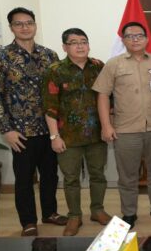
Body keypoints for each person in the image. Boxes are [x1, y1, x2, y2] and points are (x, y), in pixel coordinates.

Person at [0, 7, 66, 237]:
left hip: (49, 128)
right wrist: (6, 130)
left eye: (29, 22)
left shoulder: (49, 56)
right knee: (24, 179)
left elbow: (58, 92)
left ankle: (50, 213)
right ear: (11, 27)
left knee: (50, 175)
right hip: (20, 132)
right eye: (19, 23)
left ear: (35, 25)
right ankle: (28, 221)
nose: (25, 27)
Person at [92, 21, 151, 228]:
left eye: (139, 36)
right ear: (124, 40)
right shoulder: (114, 64)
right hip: (126, 129)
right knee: (128, 175)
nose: (135, 39)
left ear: (146, 39)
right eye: (130, 36)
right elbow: (102, 95)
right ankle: (129, 212)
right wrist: (106, 125)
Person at [42, 28, 111, 236]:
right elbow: (49, 107)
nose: (80, 46)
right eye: (74, 42)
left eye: (83, 41)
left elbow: (108, 98)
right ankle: (74, 216)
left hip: (96, 134)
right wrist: (54, 136)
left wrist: (108, 125)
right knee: (71, 178)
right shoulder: (55, 70)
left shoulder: (98, 66)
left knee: (98, 174)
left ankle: (97, 210)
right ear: (65, 47)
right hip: (68, 136)